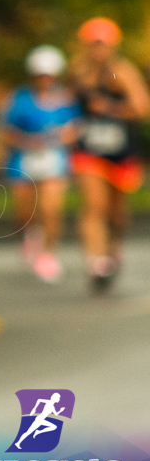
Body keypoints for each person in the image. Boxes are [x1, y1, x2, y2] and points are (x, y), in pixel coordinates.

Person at [68, 17, 150, 291]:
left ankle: (113, 248)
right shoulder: (78, 72)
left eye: (102, 44)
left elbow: (141, 109)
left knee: (116, 214)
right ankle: (96, 260)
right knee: (94, 206)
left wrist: (110, 109)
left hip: (120, 152)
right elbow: (69, 106)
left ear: (112, 46)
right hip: (89, 151)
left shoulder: (122, 73)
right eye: (92, 44)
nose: (97, 50)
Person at [1, 45, 81, 282]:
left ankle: (48, 254)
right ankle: (30, 235)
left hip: (54, 158)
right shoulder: (19, 98)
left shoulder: (65, 98)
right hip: (23, 159)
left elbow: (74, 128)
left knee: (51, 208)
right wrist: (26, 141)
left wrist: (58, 137)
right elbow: (6, 130)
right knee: (25, 211)